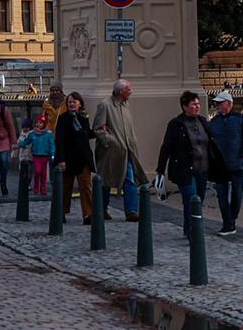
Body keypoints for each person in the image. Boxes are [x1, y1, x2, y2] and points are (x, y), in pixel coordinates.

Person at [155, 91, 212, 239]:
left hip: (202, 168)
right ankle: (192, 230)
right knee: (190, 198)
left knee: (199, 199)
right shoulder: (176, 124)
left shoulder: (203, 121)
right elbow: (166, 147)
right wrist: (160, 170)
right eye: (194, 104)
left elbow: (211, 144)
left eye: (198, 104)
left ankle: (194, 226)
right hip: (184, 169)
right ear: (185, 106)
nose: (197, 107)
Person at [92, 80, 147, 222]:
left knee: (130, 179)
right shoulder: (105, 105)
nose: (131, 91)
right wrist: (110, 142)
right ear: (120, 91)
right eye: (128, 89)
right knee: (106, 180)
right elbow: (98, 128)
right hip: (110, 152)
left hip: (127, 150)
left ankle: (131, 211)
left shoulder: (125, 105)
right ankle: (102, 209)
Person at [205, 90, 243, 235]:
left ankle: (231, 219)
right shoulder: (214, 122)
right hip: (220, 165)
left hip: (237, 163)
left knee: (237, 194)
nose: (217, 106)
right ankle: (228, 222)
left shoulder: (240, 119)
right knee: (221, 195)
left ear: (229, 104)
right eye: (216, 104)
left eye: (220, 103)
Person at [54, 92, 97, 223]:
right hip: (68, 158)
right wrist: (61, 159)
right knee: (66, 188)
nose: (72, 104)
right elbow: (59, 140)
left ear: (80, 104)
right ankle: (61, 212)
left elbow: (86, 134)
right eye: (70, 102)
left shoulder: (83, 118)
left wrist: (98, 131)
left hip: (83, 158)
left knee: (85, 187)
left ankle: (88, 214)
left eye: (74, 102)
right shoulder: (63, 119)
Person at [19, 113, 55, 196]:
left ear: (44, 124)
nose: (38, 124)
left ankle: (43, 189)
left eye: (41, 122)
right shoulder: (32, 134)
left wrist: (53, 153)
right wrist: (19, 144)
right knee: (37, 171)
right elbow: (26, 142)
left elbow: (52, 145)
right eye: (37, 122)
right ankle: (36, 188)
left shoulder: (48, 134)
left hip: (45, 156)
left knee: (43, 174)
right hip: (36, 156)